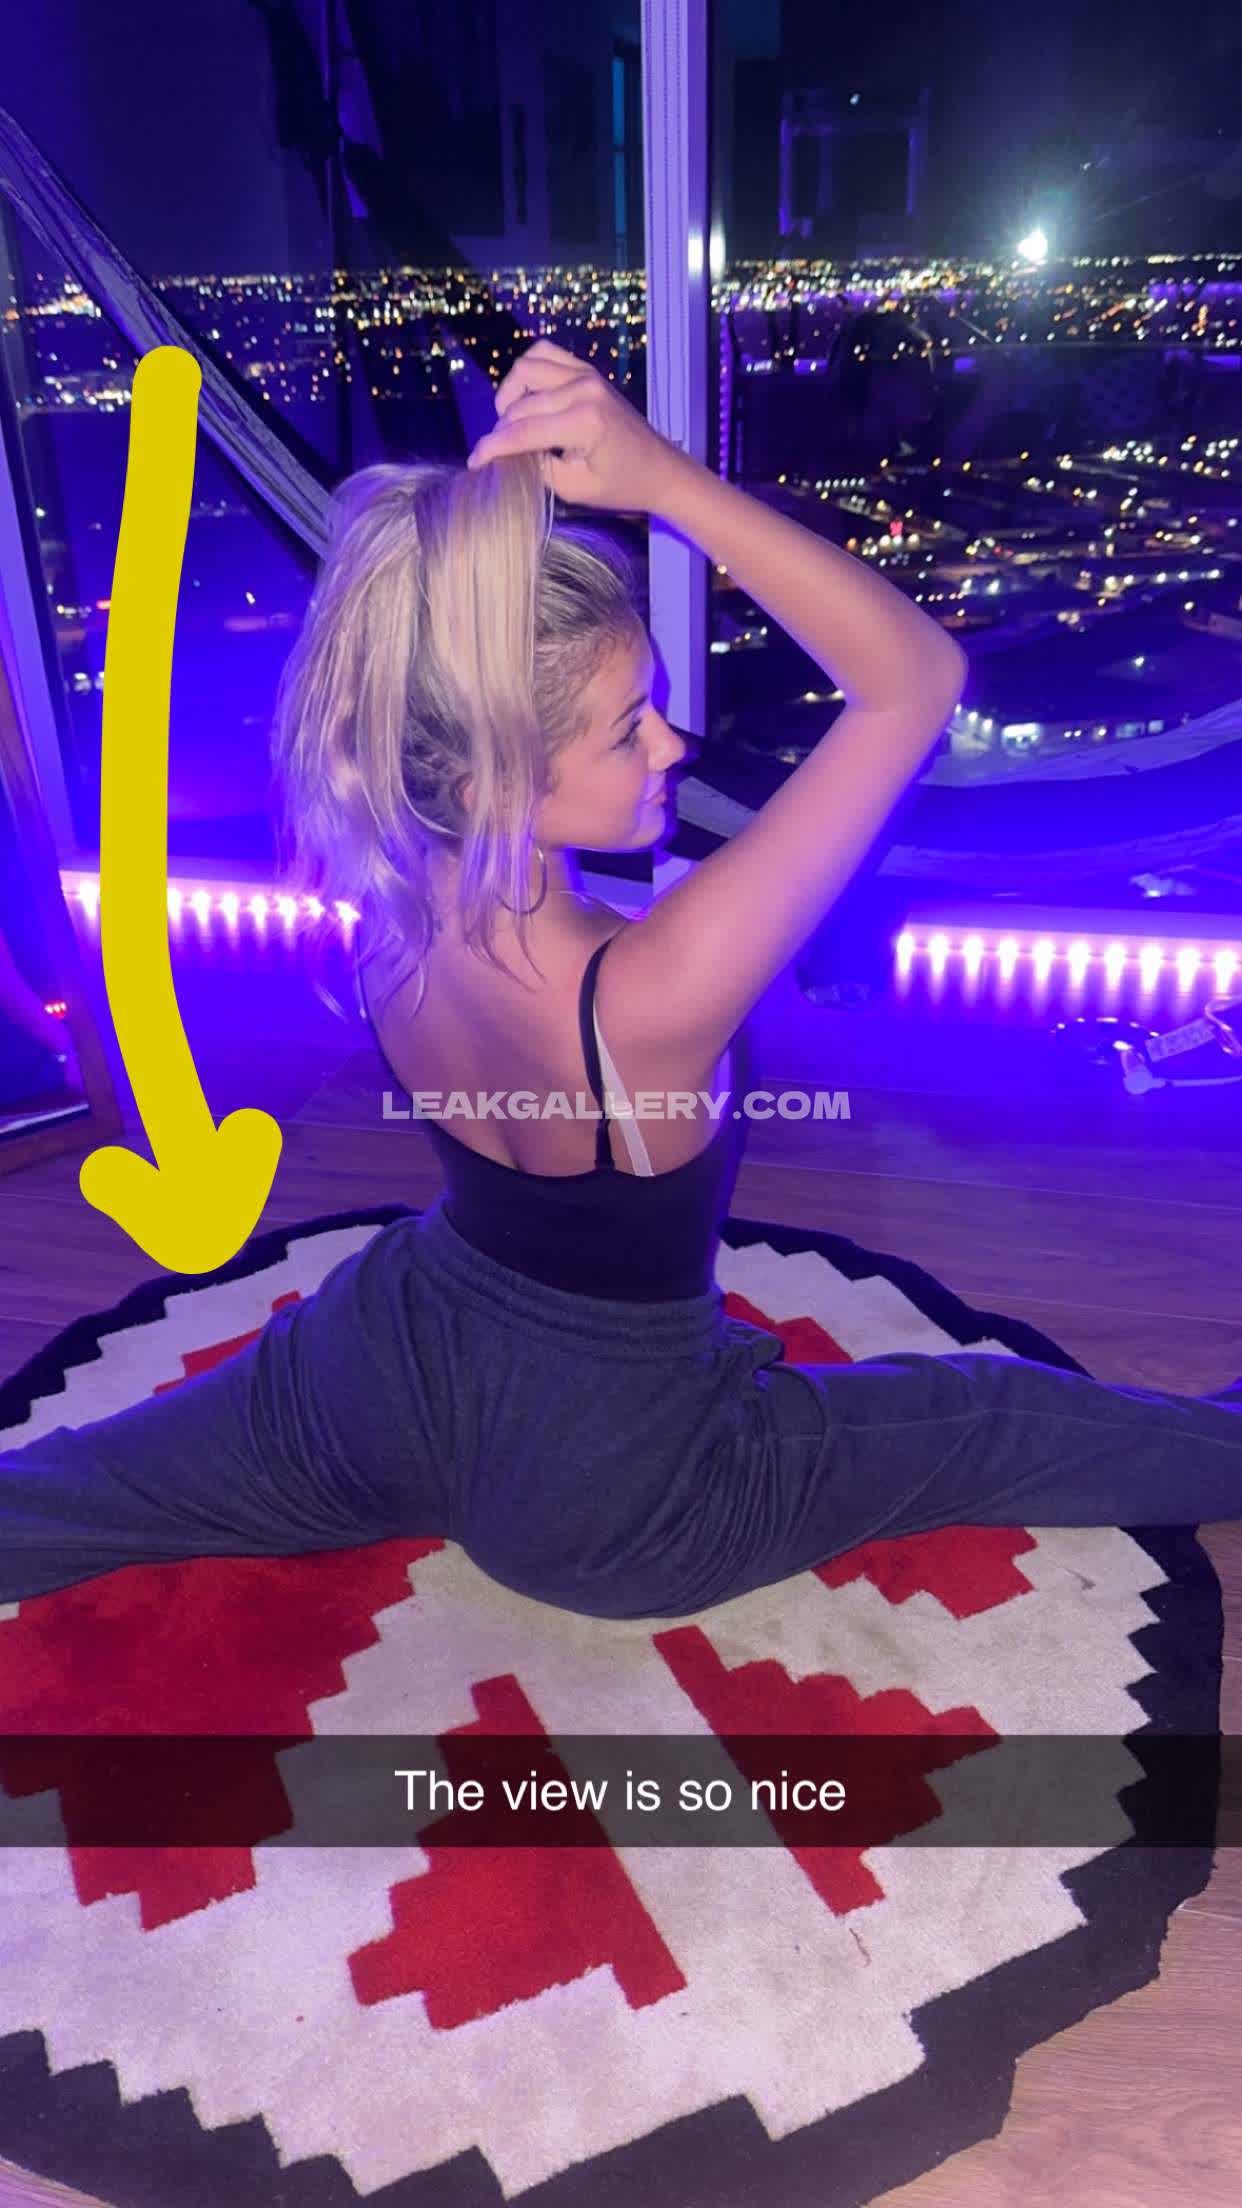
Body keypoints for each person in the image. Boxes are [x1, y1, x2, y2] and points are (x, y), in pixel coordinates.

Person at [3, 337, 1242, 1623]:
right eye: (625, 728)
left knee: (84, 1488)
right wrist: (665, 481)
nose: (672, 742)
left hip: (395, 1354)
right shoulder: (646, 993)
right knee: (981, 1415)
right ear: (488, 777)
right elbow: (913, 682)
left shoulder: (384, 904)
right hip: (619, 1499)